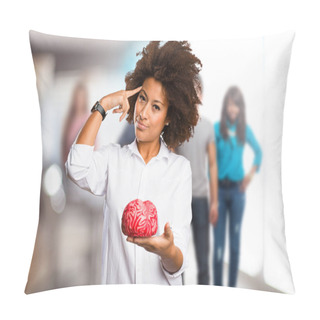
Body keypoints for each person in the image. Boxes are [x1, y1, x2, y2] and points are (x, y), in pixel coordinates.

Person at [65, 41, 202, 285]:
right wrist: (103, 106)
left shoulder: (179, 170)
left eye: (156, 107)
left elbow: (178, 264)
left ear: (169, 118)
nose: (143, 113)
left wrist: (166, 250)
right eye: (142, 99)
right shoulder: (112, 159)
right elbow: (76, 167)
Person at [213, 86, 262, 287]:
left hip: (237, 193)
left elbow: (259, 152)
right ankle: (216, 287)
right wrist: (213, 199)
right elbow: (212, 163)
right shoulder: (217, 128)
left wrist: (250, 176)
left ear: (241, 108)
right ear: (226, 106)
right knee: (218, 245)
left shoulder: (245, 130)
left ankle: (232, 288)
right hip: (220, 192)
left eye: (237, 106)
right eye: (230, 105)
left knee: (234, 245)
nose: (233, 110)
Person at [175, 84, 218, 285]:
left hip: (201, 200)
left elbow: (213, 166)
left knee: (203, 259)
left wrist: (215, 202)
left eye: (197, 91)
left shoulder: (208, 127)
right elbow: (170, 161)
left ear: (201, 94)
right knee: (178, 256)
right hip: (181, 200)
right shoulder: (178, 127)